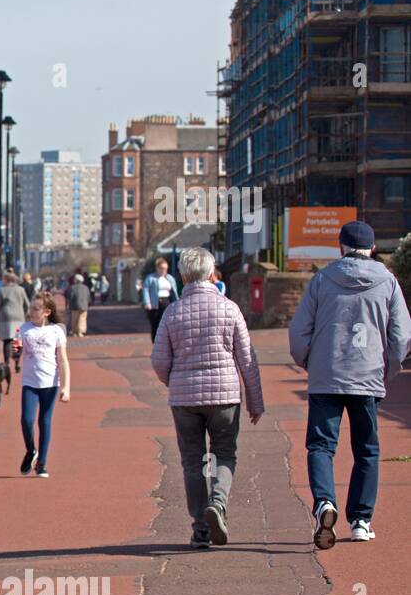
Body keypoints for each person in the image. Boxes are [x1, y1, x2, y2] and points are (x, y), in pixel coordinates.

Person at [289, 220, 411, 549]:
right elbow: (401, 337)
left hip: (327, 376)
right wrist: (390, 369)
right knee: (367, 451)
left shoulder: (322, 280)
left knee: (321, 446)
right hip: (368, 376)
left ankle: (324, 502)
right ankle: (360, 520)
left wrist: (306, 361)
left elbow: (299, 331)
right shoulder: (388, 282)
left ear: (341, 246)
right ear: (372, 248)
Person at [151, 248, 265, 549]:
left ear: (184, 276)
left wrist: (173, 382)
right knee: (224, 453)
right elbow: (247, 358)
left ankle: (201, 528)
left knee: (193, 461)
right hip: (225, 396)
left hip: (184, 398)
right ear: (211, 273)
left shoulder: (172, 312)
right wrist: (256, 400)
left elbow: (159, 359)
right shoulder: (229, 308)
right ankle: (218, 502)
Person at [17, 292, 70, 478]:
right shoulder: (24, 329)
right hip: (29, 383)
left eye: (36, 309)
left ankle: (42, 464)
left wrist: (66, 386)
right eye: (30, 308)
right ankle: (31, 450)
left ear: (46, 312)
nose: (31, 312)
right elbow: (17, 350)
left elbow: (63, 360)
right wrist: (15, 351)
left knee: (44, 421)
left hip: (50, 383)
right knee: (26, 420)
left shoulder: (56, 331)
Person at [0, 268, 29, 391]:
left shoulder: (1, 291)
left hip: (6, 318)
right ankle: (17, 363)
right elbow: (27, 304)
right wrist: (24, 313)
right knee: (17, 342)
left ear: (6, 279)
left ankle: (6, 363)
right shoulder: (21, 290)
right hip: (19, 317)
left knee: (6, 341)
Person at [142, 257, 180, 342]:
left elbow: (174, 292)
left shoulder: (170, 278)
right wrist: (147, 302)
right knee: (155, 325)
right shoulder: (151, 278)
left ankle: (165, 343)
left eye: (166, 269)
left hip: (167, 302)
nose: (164, 271)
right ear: (157, 268)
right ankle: (155, 343)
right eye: (162, 268)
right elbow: (145, 289)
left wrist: (177, 303)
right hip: (155, 304)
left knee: (166, 324)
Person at [67, 273, 91, 337]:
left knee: (74, 319)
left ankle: (74, 331)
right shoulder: (86, 287)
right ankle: (80, 332)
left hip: (75, 306)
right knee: (82, 319)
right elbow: (88, 296)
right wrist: (89, 303)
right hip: (84, 305)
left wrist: (68, 303)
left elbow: (71, 296)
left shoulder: (72, 287)